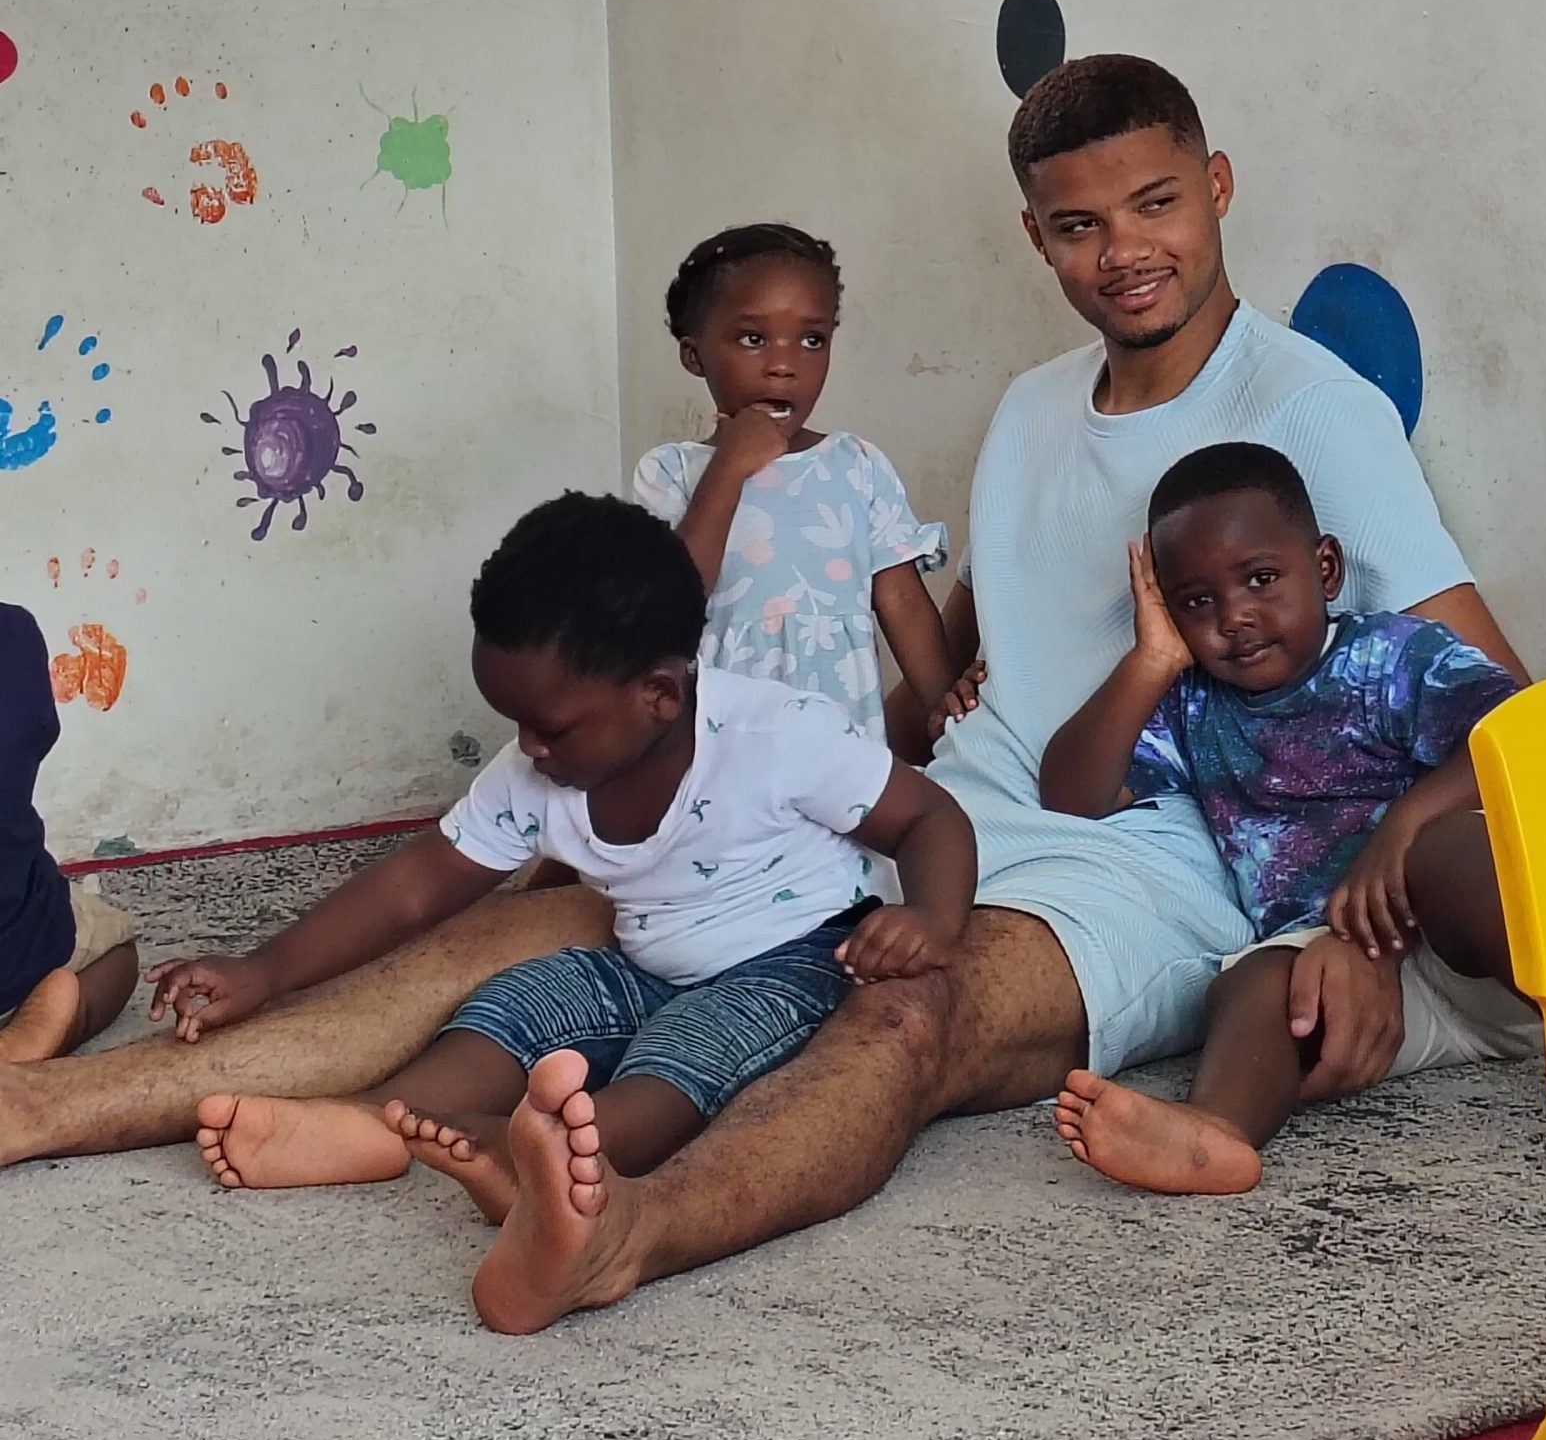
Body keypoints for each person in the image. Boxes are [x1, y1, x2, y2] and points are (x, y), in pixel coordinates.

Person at [0, 54, 1523, 1345]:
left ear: (1218, 187)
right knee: (565, 910)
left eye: (1158, 204)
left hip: (1154, 853)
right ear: (1037, 237)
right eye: (1081, 224)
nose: (1125, 250)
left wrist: (1338, 931)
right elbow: (962, 654)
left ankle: (623, 1232)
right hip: (966, 788)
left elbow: (1487, 705)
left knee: (904, 1008)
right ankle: (51, 1109)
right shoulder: (1029, 408)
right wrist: (748, 774)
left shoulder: (1306, 407)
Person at [146, 493, 975, 1247]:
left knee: (689, 1050)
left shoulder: (778, 736)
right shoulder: (540, 771)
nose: (529, 747)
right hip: (647, 965)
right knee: (522, 998)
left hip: (800, 959)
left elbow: (930, 818)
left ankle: (544, 1157)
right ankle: (373, 1123)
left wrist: (932, 919)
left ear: (658, 693)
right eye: (514, 722)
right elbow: (417, 885)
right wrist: (266, 970)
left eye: (550, 727)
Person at [1044, 443, 1546, 1193]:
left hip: (1500, 968)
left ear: (1326, 568)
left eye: (1261, 579)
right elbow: (1071, 794)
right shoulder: (1190, 706)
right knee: (1254, 979)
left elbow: (1521, 740)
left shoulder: (1389, 657)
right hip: (1346, 998)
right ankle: (1218, 1129)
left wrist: (1401, 830)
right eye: (1197, 602)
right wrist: (1150, 661)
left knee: (1448, 852)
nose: (1235, 617)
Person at [633, 223, 969, 745]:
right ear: (694, 355)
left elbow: (902, 601)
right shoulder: (670, 472)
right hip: (721, 748)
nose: (784, 366)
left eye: (812, 340)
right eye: (753, 339)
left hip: (839, 744)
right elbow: (675, 603)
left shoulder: (856, 465)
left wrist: (942, 707)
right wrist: (729, 467)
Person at [0, 603, 138, 1064]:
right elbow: (34, 738)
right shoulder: (13, 633)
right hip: (15, 958)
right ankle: (30, 1043)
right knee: (116, 957)